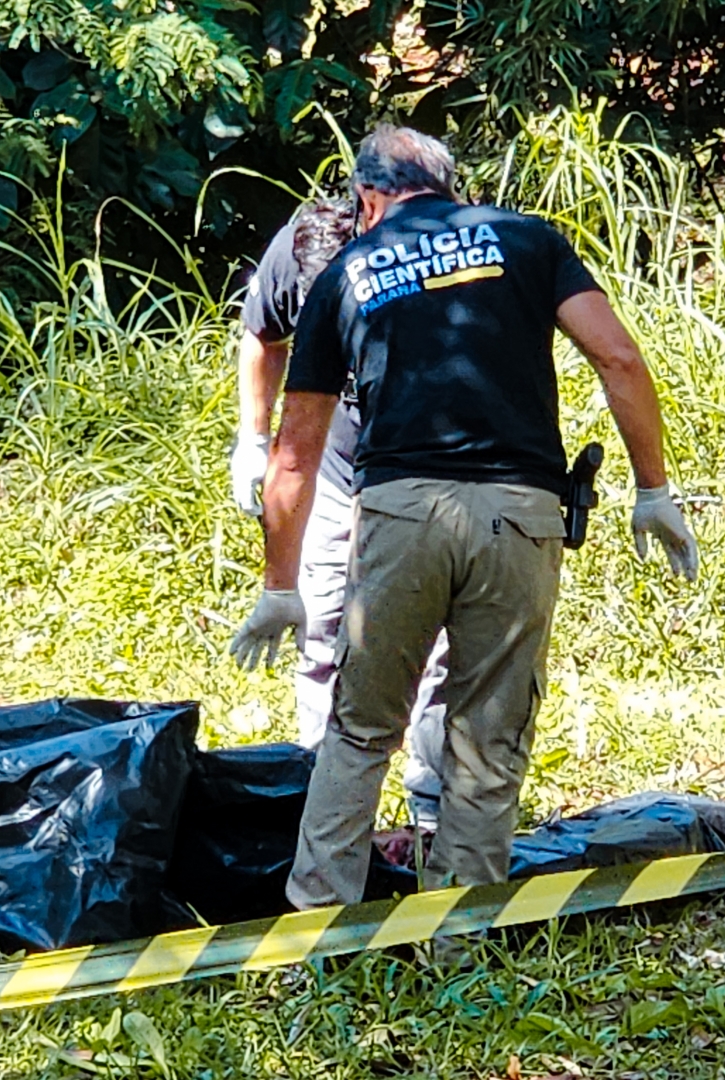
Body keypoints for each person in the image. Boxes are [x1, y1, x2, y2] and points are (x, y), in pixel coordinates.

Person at [230, 124, 699, 909]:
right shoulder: (527, 239)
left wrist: (282, 585)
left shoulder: (347, 269)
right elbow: (617, 357)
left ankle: (320, 928)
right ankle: (459, 940)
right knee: (489, 735)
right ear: (451, 185)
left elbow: (296, 454)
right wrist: (652, 490)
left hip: (400, 515)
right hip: (520, 515)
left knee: (358, 729)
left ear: (368, 198)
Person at [231, 197, 448, 825]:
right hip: (331, 457)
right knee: (322, 621)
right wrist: (252, 437)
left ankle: (433, 809)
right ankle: (322, 800)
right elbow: (261, 335)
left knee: (437, 634)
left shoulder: (422, 256)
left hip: (423, 461)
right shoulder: (300, 246)